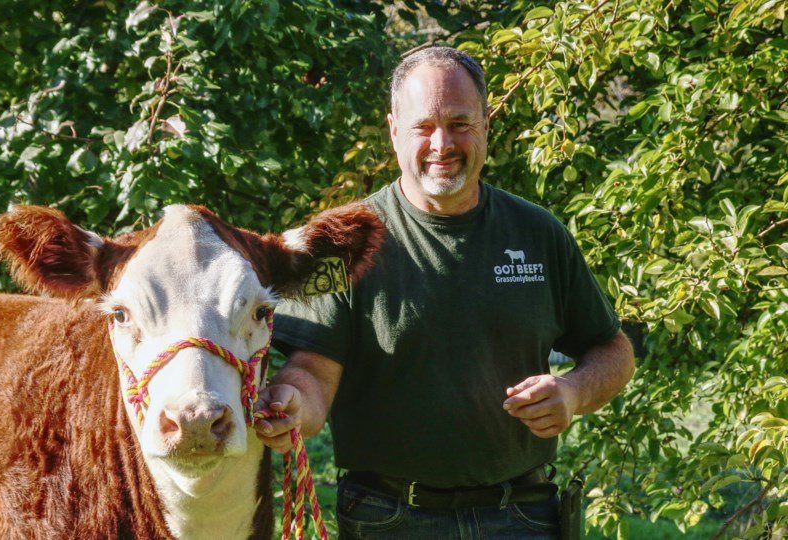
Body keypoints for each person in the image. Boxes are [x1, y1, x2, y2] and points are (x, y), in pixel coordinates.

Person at [255, 46, 635, 539]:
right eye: (424, 126)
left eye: (460, 123)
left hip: (521, 515)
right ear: (394, 131)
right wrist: (290, 405)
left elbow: (613, 349)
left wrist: (574, 391)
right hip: (389, 517)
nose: (442, 143)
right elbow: (311, 371)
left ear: (486, 126)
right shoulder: (346, 242)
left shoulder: (538, 233)